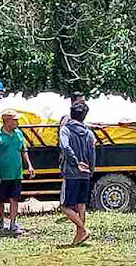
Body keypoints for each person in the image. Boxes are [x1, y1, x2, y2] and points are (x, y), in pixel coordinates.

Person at [0, 109, 35, 234]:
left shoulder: (18, 134)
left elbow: (23, 150)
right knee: (0, 200)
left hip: (16, 174)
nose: (17, 122)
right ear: (6, 121)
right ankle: (2, 222)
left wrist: (29, 165)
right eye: (15, 120)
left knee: (15, 198)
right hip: (2, 175)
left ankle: (13, 223)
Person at [59, 102, 95, 245]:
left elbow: (64, 146)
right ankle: (79, 236)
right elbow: (92, 153)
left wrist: (75, 162)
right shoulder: (89, 133)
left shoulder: (65, 130)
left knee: (66, 206)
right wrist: (90, 169)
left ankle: (83, 229)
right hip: (85, 174)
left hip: (72, 173)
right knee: (81, 204)